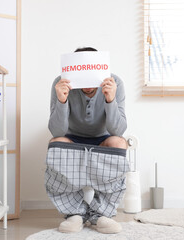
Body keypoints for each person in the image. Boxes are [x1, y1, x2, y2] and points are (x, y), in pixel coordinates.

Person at [46, 47, 128, 234]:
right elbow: (57, 131)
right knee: (55, 143)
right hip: (73, 139)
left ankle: (102, 214)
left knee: (119, 143)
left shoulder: (115, 83)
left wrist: (110, 100)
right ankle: (74, 213)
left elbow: (119, 130)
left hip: (103, 139)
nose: (87, 85)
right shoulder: (60, 83)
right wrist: (61, 101)